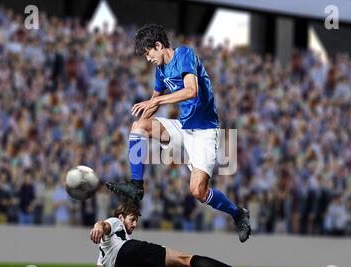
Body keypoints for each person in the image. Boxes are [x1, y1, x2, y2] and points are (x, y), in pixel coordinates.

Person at [105, 24, 252, 242]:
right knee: (139, 127)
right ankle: (136, 187)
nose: (148, 59)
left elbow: (191, 91)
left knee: (198, 192)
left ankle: (238, 214)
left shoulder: (185, 54)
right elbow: (154, 102)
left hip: (204, 131)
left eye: (148, 53)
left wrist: (156, 100)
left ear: (158, 45)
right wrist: (143, 113)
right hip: (182, 126)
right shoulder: (160, 70)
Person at [89, 202, 263, 267]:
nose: (134, 224)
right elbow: (104, 225)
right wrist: (97, 227)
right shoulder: (115, 223)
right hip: (128, 251)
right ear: (121, 217)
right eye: (132, 219)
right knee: (186, 260)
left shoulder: (104, 249)